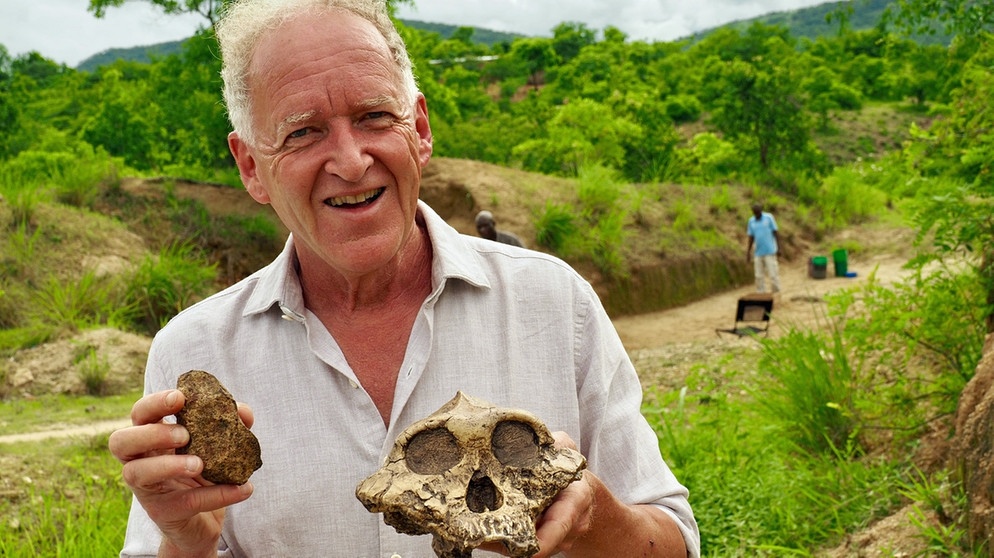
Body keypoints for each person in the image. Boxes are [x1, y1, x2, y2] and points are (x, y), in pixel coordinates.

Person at [108, 1, 700, 557]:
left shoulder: (553, 302)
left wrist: (595, 519)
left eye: (374, 116)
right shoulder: (193, 351)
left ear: (418, 128)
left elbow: (674, 541)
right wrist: (186, 544)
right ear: (250, 167)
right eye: (302, 132)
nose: (350, 160)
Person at [746, 202, 781, 293]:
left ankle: (776, 293)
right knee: (758, 276)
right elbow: (751, 237)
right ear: (753, 212)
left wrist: (779, 248)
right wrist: (748, 252)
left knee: (773, 274)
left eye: (758, 212)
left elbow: (775, 232)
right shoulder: (751, 221)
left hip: (770, 251)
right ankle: (761, 293)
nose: (757, 214)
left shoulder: (769, 218)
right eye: (755, 213)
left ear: (761, 211)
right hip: (758, 252)